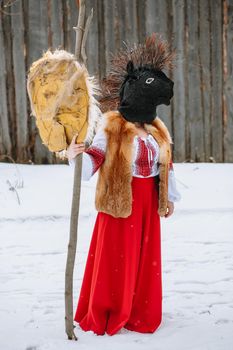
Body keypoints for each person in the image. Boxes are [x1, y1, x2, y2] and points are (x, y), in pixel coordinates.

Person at [67, 33, 181, 336]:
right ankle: (111, 308)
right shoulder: (113, 124)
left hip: (147, 204)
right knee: (117, 260)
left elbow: (166, 164)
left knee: (144, 261)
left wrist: (167, 196)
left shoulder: (157, 128)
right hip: (120, 204)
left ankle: (140, 308)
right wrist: (75, 156)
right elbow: (96, 157)